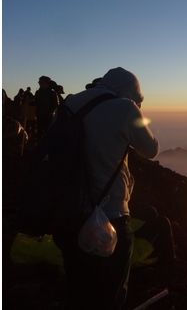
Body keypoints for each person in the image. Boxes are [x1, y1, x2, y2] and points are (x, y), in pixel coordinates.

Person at [53, 67, 159, 310]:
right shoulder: (125, 108)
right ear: (131, 92)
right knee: (111, 290)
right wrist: (137, 111)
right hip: (110, 215)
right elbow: (151, 149)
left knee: (78, 287)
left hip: (67, 211)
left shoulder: (71, 103)